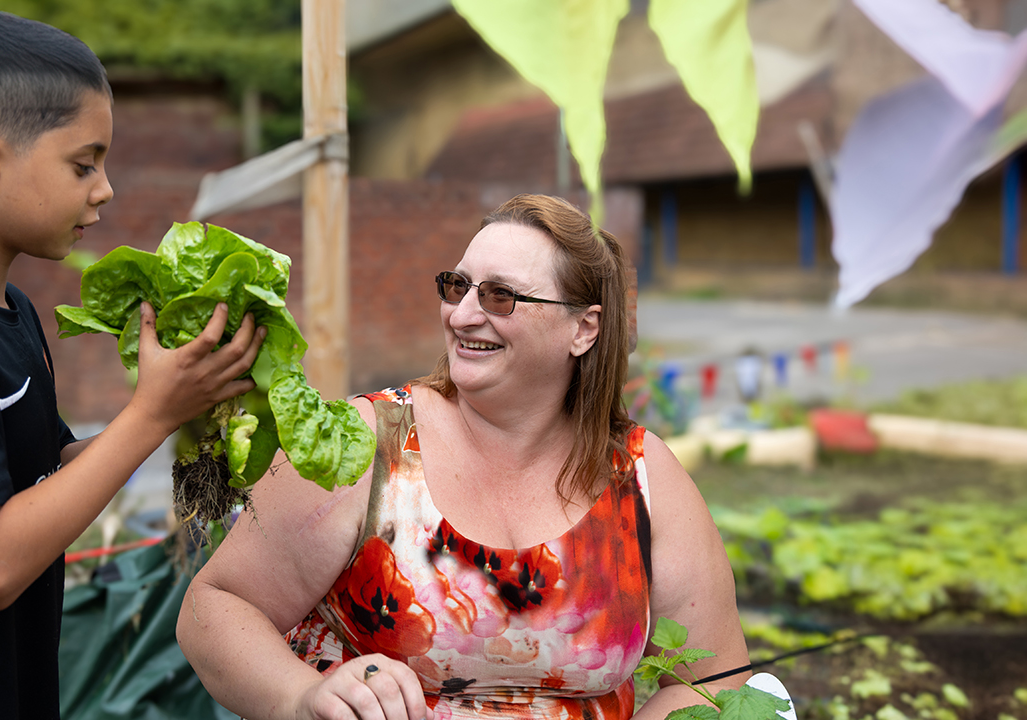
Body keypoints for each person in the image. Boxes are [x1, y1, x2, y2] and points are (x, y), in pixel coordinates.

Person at [177, 194, 749, 720]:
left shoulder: (642, 476)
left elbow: (714, 678)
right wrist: (302, 697)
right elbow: (217, 605)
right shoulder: (366, 441)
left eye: (500, 295)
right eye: (458, 286)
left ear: (584, 328)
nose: (464, 314)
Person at [0, 11, 264, 720]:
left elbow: (48, 473)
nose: (103, 189)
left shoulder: (9, 309)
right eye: (83, 163)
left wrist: (181, 407)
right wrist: (149, 413)